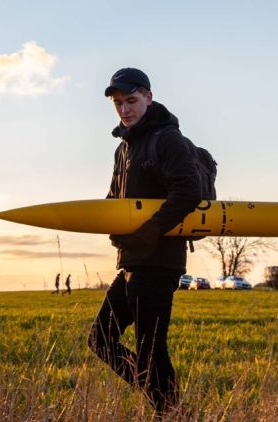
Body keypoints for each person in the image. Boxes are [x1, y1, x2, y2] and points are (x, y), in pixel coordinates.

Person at [87, 67, 201, 416]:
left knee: (150, 348)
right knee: (101, 339)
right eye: (118, 103)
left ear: (149, 98)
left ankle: (169, 410)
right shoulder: (123, 149)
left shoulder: (168, 138)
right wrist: (113, 229)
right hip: (131, 261)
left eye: (131, 101)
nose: (125, 109)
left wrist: (148, 233)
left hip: (160, 260)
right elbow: (113, 201)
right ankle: (169, 404)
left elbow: (189, 191)